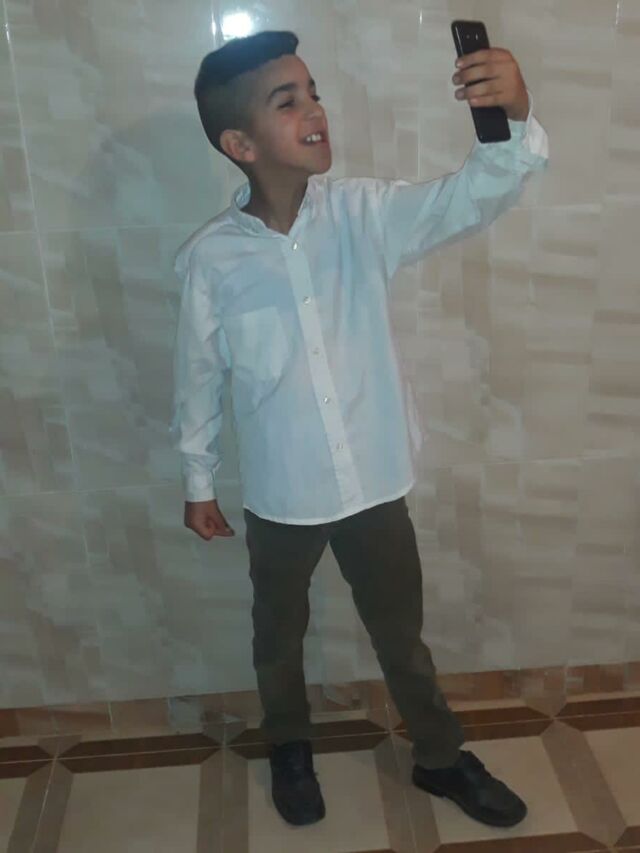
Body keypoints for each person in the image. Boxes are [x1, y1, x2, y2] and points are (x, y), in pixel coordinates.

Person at [170, 29, 548, 829]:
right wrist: (198, 480)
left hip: (374, 482)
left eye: (313, 93)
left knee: (401, 637)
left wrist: (511, 116)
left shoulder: (366, 215)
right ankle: (290, 744)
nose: (316, 110)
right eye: (288, 101)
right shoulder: (211, 260)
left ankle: (440, 754)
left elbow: (476, 192)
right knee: (277, 635)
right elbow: (198, 376)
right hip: (282, 493)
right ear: (240, 144)